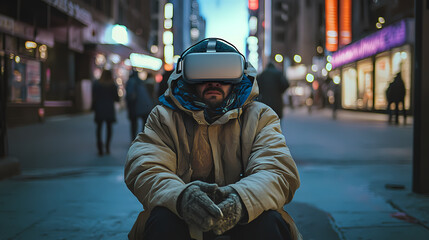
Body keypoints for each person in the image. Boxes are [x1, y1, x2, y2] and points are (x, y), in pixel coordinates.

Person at [124, 38, 301, 240]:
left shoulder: (260, 117)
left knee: (269, 221)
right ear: (188, 76)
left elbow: (277, 169)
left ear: (238, 76)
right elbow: (145, 166)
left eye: (224, 73)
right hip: (181, 217)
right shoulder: (164, 117)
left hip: (244, 218)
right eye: (203, 73)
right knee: (161, 219)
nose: (214, 82)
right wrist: (181, 197)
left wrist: (242, 201)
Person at [91, 69, 119, 156]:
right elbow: (117, 98)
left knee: (99, 128)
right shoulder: (113, 85)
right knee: (109, 128)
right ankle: (107, 147)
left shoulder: (97, 83)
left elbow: (94, 96)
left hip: (99, 108)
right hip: (109, 108)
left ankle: (100, 148)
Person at [125, 70, 155, 141]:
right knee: (144, 123)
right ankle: (143, 139)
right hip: (144, 106)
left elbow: (130, 95)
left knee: (134, 124)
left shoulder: (131, 81)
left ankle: (134, 139)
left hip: (135, 106)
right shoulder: (141, 82)